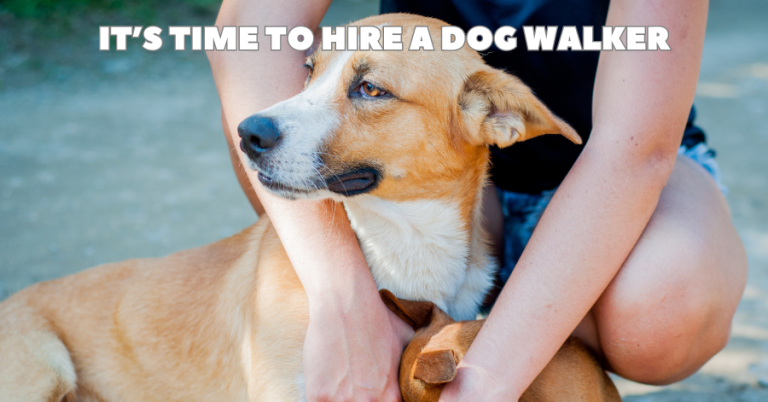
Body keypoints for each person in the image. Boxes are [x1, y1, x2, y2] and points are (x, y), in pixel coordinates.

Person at [207, 0, 748, 400]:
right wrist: (343, 299)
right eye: (313, 70)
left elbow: (633, 152)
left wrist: (487, 384)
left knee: (657, 313)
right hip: (451, 171)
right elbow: (250, 27)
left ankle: (480, 338)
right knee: (386, 257)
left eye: (368, 89)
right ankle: (425, 326)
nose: (265, 127)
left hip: (613, 167)